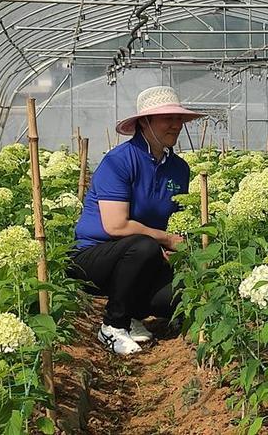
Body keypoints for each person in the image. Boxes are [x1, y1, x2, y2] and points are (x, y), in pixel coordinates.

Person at [71, 86, 203, 355]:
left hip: (144, 258)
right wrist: (164, 240)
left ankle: (131, 315)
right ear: (144, 122)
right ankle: (112, 325)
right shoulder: (118, 162)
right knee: (143, 246)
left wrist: (173, 250)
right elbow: (115, 226)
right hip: (93, 259)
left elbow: (176, 222)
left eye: (179, 119)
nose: (176, 125)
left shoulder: (179, 169)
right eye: (168, 118)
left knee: (176, 298)